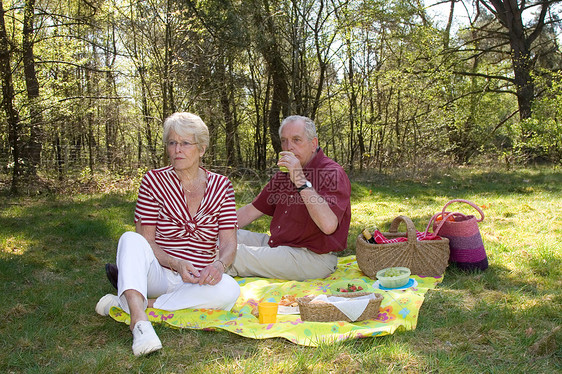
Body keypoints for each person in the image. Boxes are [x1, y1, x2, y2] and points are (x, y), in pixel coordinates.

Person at [95, 112, 240, 356]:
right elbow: (146, 241)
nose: (177, 150)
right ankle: (140, 324)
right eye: (172, 143)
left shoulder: (222, 186)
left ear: (201, 149)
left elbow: (229, 244)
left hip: (198, 280)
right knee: (129, 239)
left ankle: (131, 303)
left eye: (185, 143)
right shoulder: (153, 181)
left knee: (230, 290)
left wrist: (219, 265)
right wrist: (176, 262)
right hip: (159, 273)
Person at [226, 115, 351, 281]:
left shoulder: (332, 173)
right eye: (284, 141)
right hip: (279, 245)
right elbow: (250, 211)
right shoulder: (283, 175)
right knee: (223, 236)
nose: (289, 147)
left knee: (230, 254)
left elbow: (328, 225)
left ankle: (188, 286)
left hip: (312, 258)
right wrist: (208, 230)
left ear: (313, 144)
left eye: (296, 140)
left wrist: (299, 178)